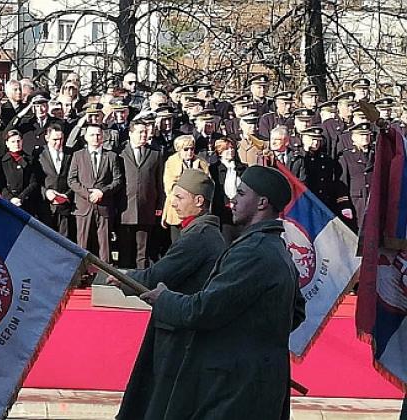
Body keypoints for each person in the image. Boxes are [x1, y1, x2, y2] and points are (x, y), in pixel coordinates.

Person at [138, 165, 306, 420]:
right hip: (259, 380)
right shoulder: (276, 249)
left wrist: (164, 298)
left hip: (235, 386)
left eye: (241, 193)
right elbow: (296, 313)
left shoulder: (253, 251)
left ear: (262, 203)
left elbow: (204, 310)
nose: (233, 200)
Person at [111, 169, 226, 420]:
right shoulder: (202, 233)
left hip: (177, 335)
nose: (172, 202)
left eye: (179, 196)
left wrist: (121, 279)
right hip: (179, 328)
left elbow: (157, 276)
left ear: (199, 201)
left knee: (159, 403)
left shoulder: (199, 237)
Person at [67, 123, 124, 266]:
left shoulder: (111, 156)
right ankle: (81, 274)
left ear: (103, 136)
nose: (95, 137)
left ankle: (106, 276)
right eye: (92, 134)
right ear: (86, 137)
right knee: (82, 243)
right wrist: (88, 194)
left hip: (104, 205)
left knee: (105, 244)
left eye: (98, 134)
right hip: (83, 206)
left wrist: (102, 192)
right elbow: (72, 180)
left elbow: (118, 180)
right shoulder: (78, 155)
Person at [117, 115, 165, 269]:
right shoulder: (119, 152)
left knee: (142, 251)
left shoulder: (155, 153)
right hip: (125, 208)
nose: (143, 135)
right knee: (125, 249)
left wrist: (159, 205)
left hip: (146, 207)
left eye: (145, 132)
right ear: (130, 133)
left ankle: (140, 282)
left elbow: (159, 182)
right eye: (140, 132)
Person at [161, 135, 210, 241]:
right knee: (177, 243)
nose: (189, 152)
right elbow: (169, 186)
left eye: (192, 149)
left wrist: (197, 172)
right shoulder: (171, 162)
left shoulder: (201, 162)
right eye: (186, 149)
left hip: (196, 211)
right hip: (177, 211)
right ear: (179, 150)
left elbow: (208, 184)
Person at [37, 123, 75, 240]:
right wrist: (46, 192)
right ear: (47, 137)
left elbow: (74, 177)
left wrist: (67, 195)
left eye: (61, 139)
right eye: (55, 140)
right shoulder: (39, 155)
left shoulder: (71, 154)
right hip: (46, 206)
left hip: (65, 205)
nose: (58, 143)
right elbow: (36, 179)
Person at [210, 138, 247, 242]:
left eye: (232, 148)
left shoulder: (243, 168)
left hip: (240, 211)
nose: (230, 151)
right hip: (223, 213)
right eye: (227, 149)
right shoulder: (214, 169)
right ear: (220, 152)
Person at [0, 129, 40, 216]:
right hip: (8, 202)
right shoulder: (1, 161)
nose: (16, 144)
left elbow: (33, 182)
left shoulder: (30, 160)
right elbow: (0, 183)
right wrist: (10, 198)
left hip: (26, 203)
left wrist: (21, 198)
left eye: (18, 141)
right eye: (13, 141)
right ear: (7, 143)